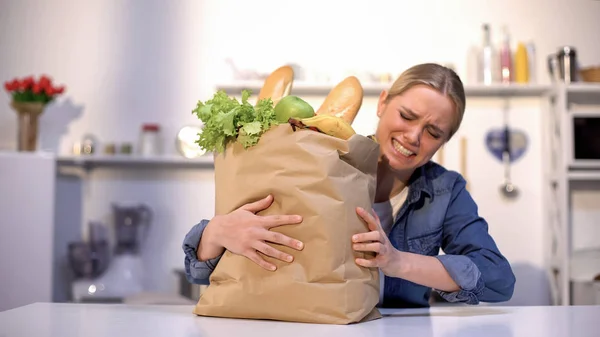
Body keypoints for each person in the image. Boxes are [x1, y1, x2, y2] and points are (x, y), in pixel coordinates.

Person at [182, 63, 516, 308]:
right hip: (305, 324)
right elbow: (197, 274)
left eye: (433, 132)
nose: (414, 137)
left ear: (445, 141)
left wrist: (398, 262)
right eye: (408, 116)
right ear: (383, 102)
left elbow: (499, 279)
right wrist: (216, 233)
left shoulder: (445, 190)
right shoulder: (320, 163)